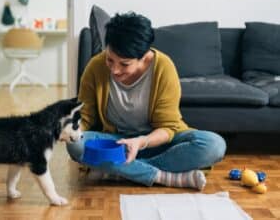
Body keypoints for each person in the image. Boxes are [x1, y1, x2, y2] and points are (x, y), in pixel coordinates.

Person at [67, 12, 226, 190]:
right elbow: (85, 117)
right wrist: (69, 128)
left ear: (143, 57)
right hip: (116, 144)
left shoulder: (163, 68)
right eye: (110, 60)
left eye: (124, 64)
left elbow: (168, 128)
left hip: (156, 142)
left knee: (214, 145)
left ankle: (118, 170)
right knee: (76, 146)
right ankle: (162, 176)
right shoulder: (96, 66)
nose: (115, 70)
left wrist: (141, 142)